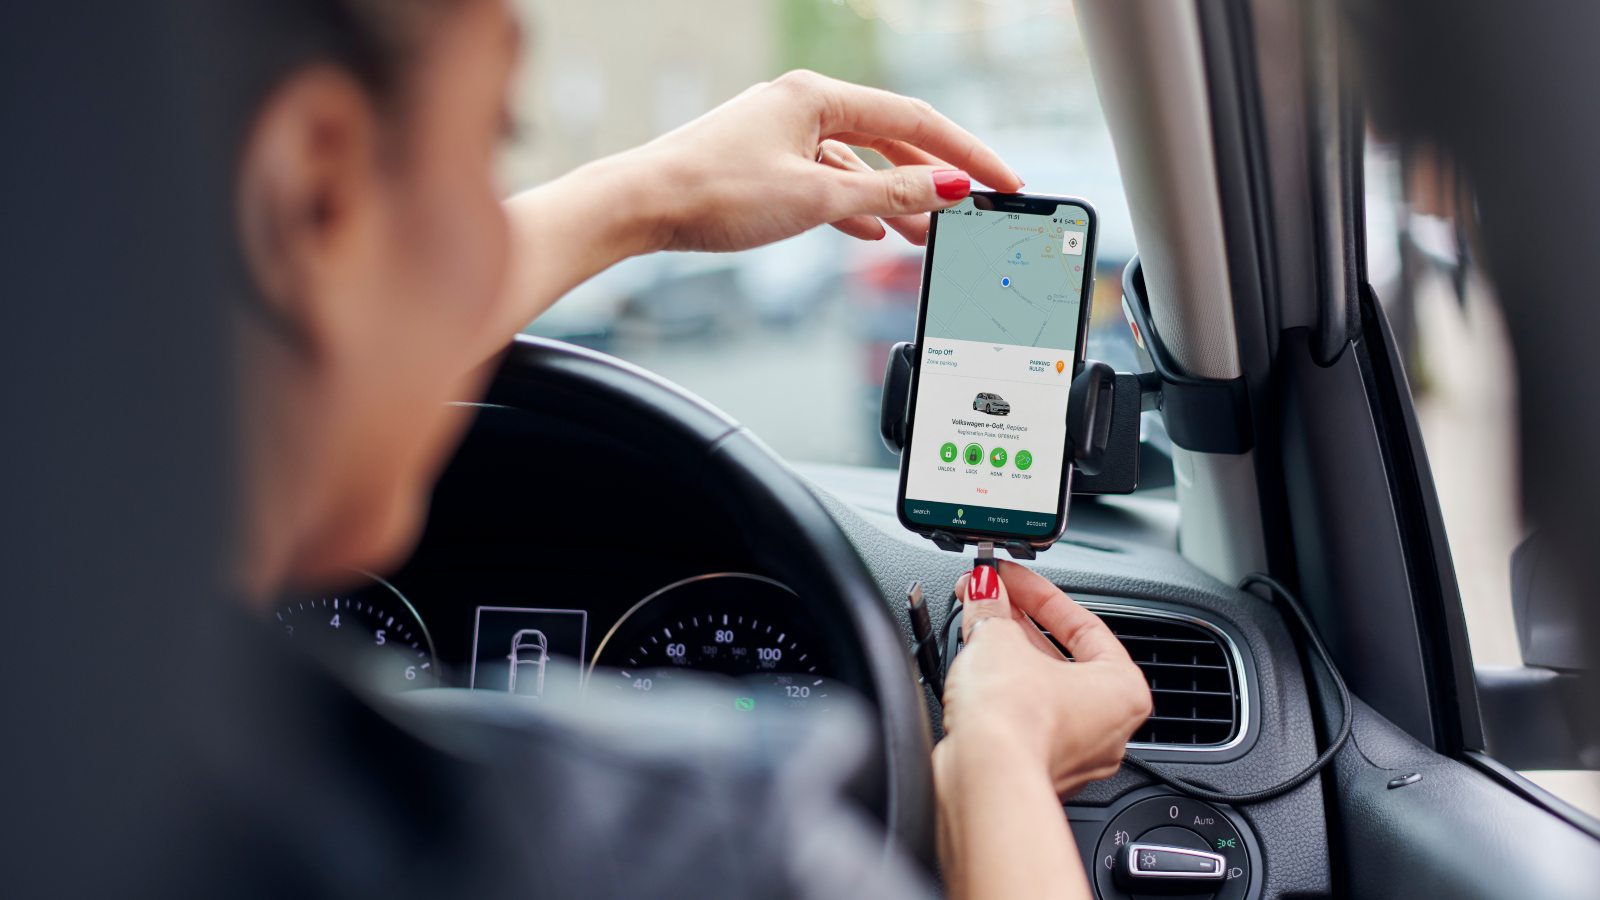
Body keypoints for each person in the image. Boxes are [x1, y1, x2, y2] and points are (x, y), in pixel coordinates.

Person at [89, 0, 1154, 896]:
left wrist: (653, 199)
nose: (496, 225)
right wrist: (998, 766)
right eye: (494, 136)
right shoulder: (672, 843)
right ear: (317, 193)